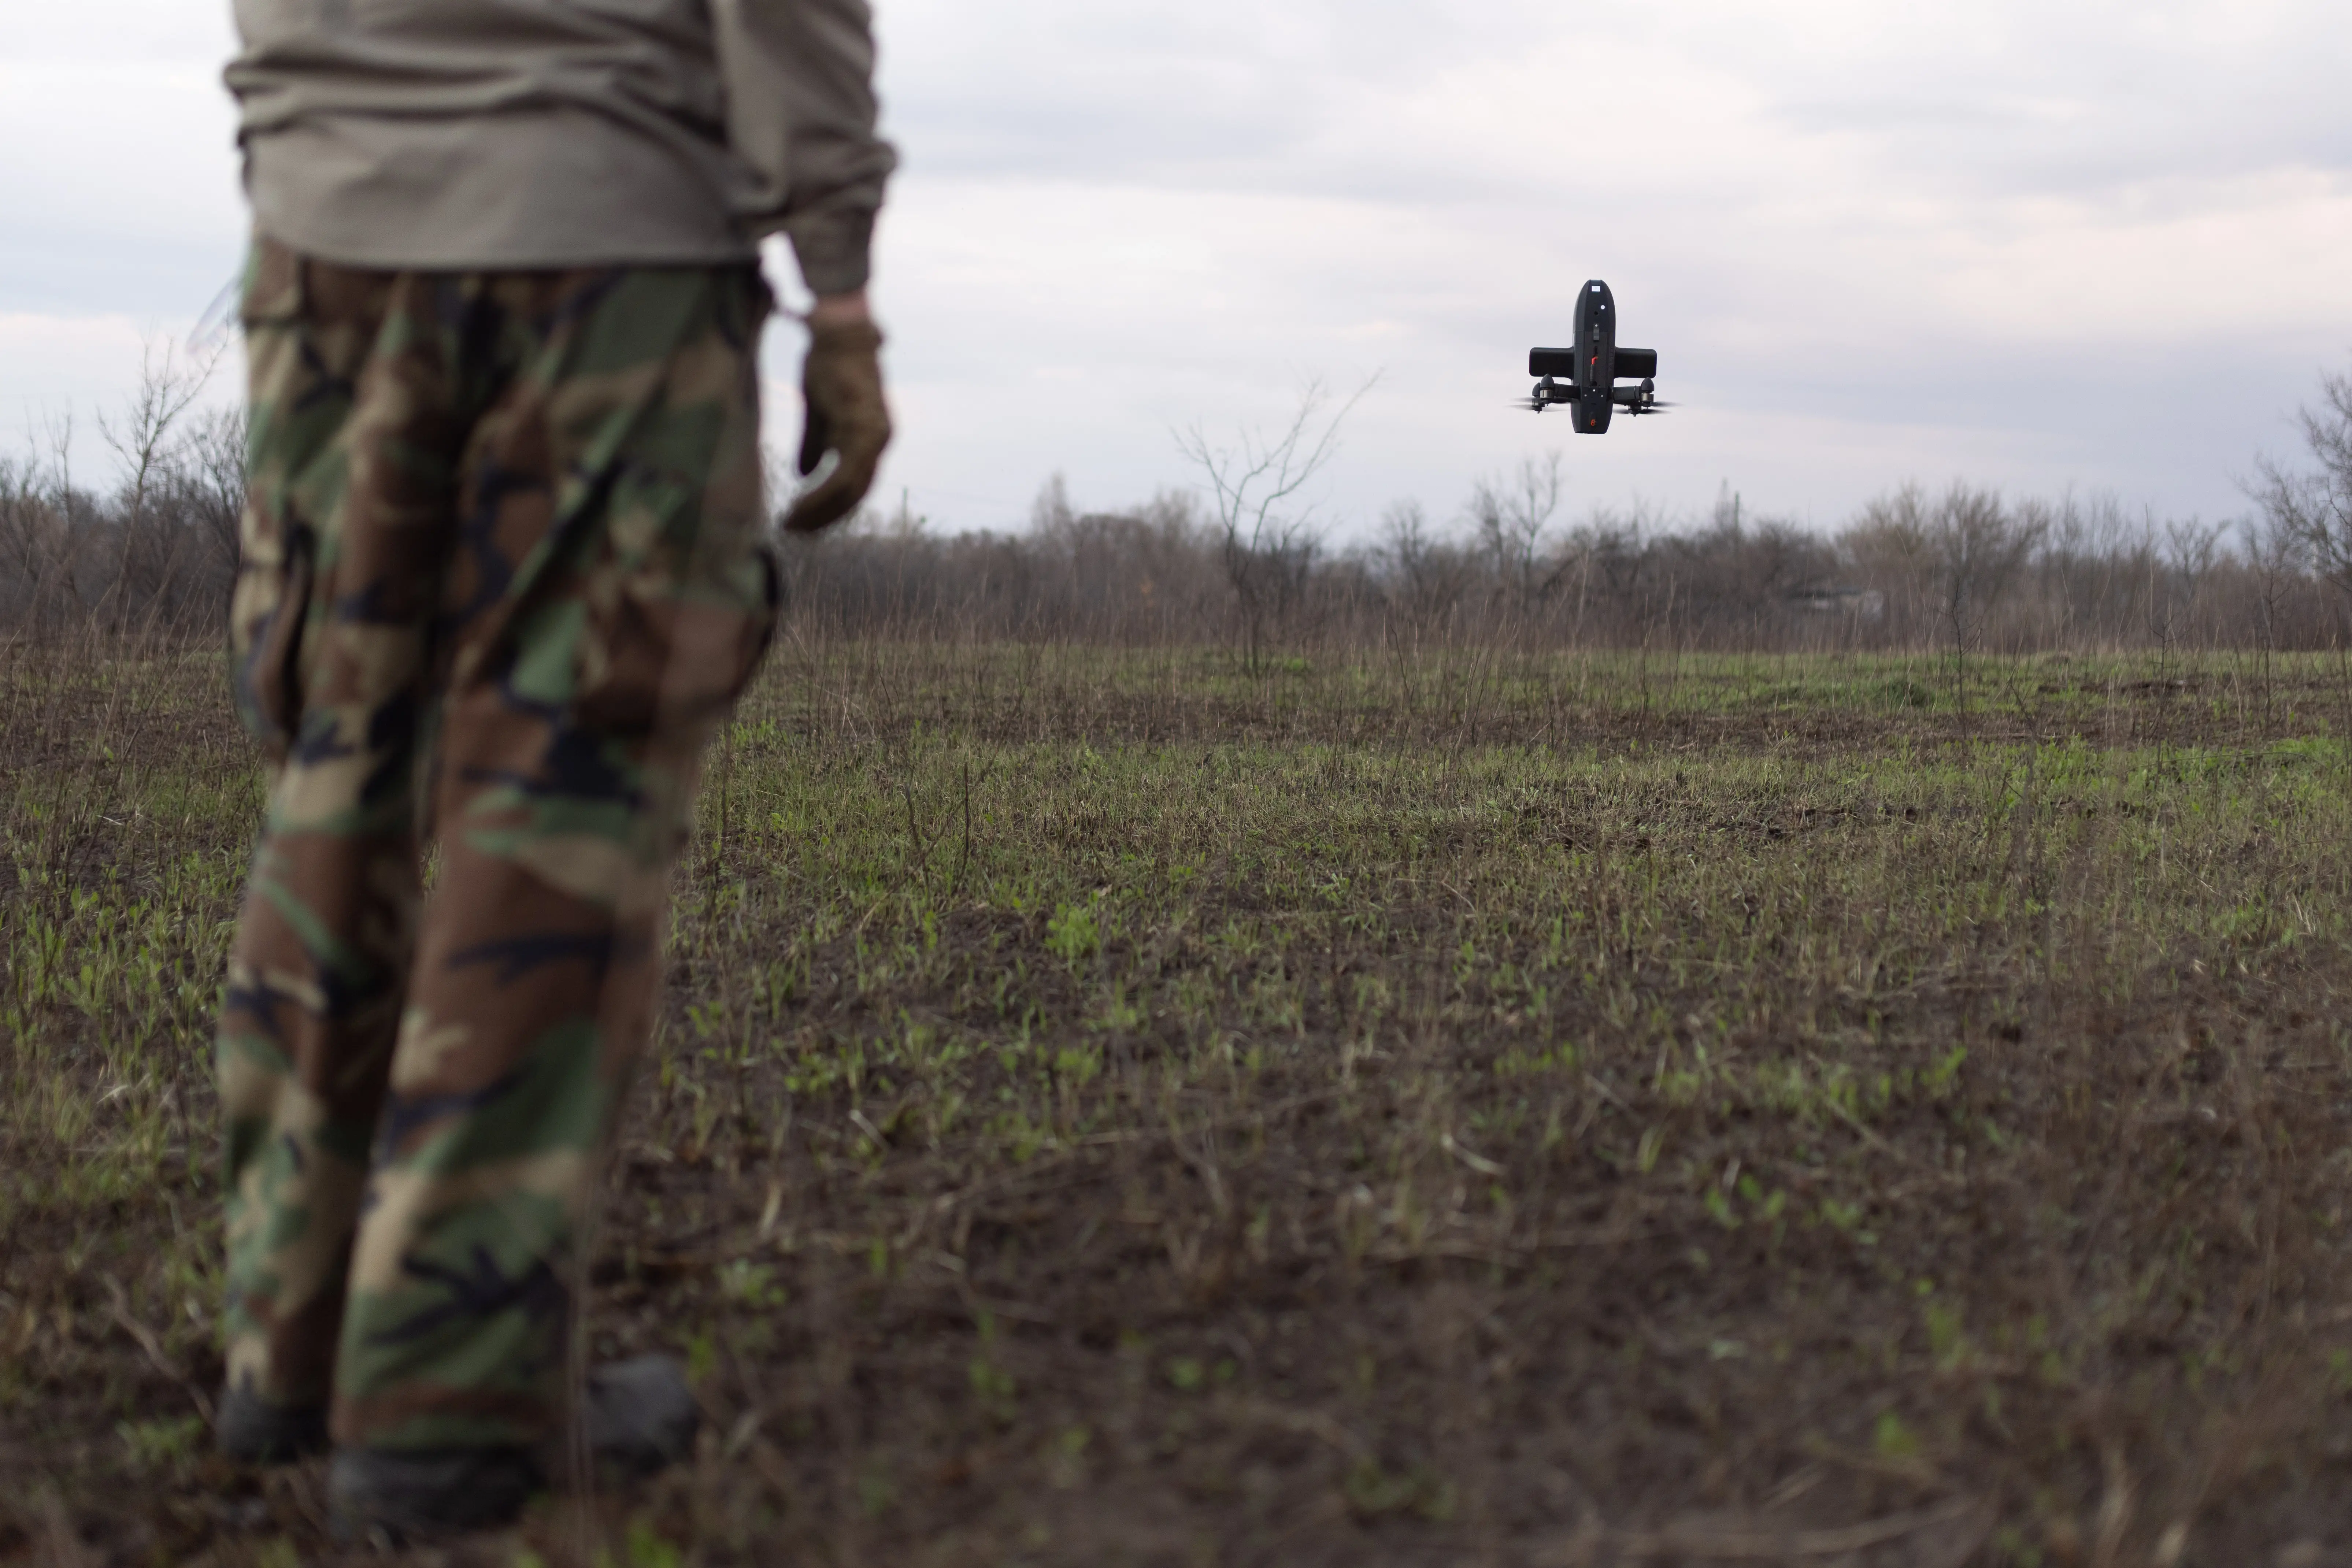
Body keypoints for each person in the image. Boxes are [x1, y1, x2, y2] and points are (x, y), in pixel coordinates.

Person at [208, 0, 894, 1540]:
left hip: (327, 225)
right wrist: (838, 286)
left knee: (336, 765)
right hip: (610, 235)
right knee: (558, 807)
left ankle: (290, 1341)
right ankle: (447, 1399)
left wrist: (307, 131)